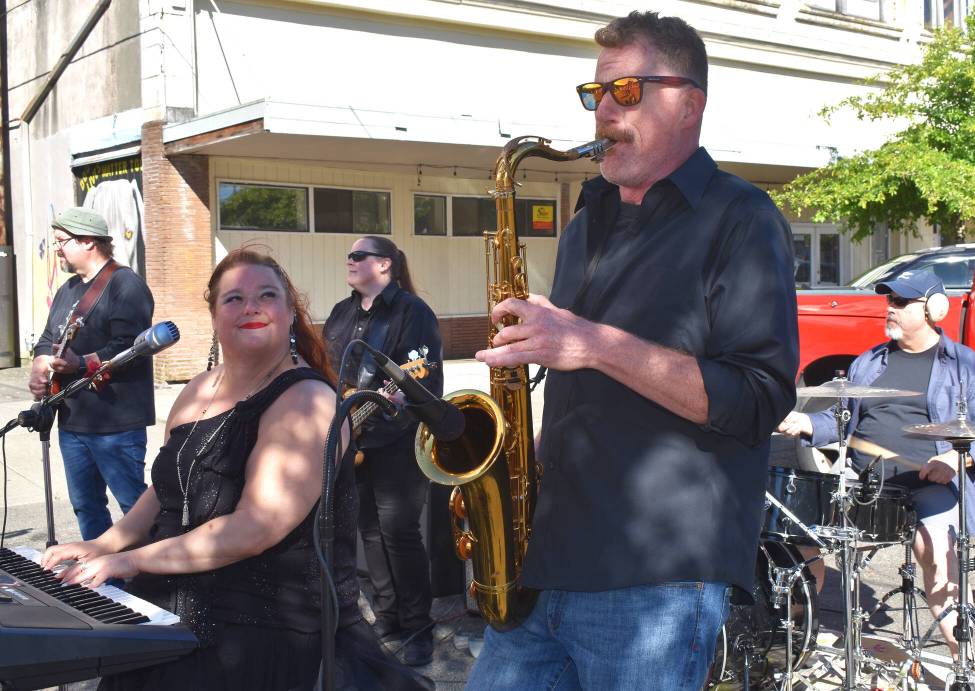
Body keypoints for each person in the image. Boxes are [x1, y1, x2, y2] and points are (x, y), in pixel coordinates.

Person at [469, 11, 799, 690]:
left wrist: (590, 343)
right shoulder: (586, 221)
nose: (602, 114)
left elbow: (757, 397)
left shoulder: (743, 218)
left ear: (689, 103)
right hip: (548, 560)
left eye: (626, 93)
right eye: (596, 95)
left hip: (656, 581)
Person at [40, 248, 342, 689]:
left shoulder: (308, 401)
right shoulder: (200, 388)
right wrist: (104, 545)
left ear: (290, 313)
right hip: (173, 595)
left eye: (267, 295)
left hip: (258, 621)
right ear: (215, 317)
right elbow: (165, 488)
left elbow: (255, 529)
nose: (251, 306)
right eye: (233, 298)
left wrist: (131, 560)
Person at [777, 269, 975, 657]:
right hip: (865, 483)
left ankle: (966, 662)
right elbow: (843, 419)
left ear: (933, 308)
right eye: (890, 301)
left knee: (938, 556)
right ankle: (791, 640)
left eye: (901, 303)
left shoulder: (966, 366)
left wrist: (954, 459)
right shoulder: (870, 362)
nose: (891, 309)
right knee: (802, 544)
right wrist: (806, 423)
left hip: (932, 486)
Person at [322, 236, 444, 668]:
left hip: (397, 439)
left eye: (359, 256)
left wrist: (390, 401)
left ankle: (418, 626)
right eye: (349, 256)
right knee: (368, 532)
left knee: (399, 533)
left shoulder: (414, 313)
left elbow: (421, 377)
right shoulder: (341, 313)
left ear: (385, 266)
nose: (349, 261)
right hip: (351, 441)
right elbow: (328, 372)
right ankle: (388, 618)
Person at [30, 207, 154, 541]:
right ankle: (104, 579)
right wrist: (40, 366)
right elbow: (46, 339)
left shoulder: (125, 285)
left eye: (62, 241)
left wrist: (80, 363)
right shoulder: (68, 289)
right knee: (86, 506)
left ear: (88, 241)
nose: (57, 248)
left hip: (115, 423)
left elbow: (131, 347)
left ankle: (154, 581)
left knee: (134, 506)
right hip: (72, 419)